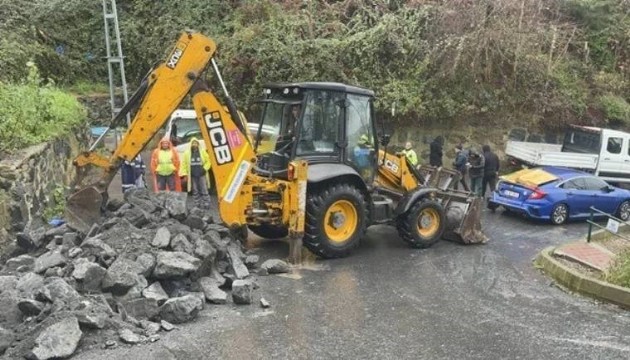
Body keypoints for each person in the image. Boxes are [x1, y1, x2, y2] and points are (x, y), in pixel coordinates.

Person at [179, 138, 212, 207]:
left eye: (196, 143)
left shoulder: (202, 151)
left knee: (204, 189)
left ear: (198, 144)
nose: (194, 144)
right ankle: (197, 203)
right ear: (190, 144)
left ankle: (206, 203)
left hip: (201, 174)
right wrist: (185, 174)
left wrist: (204, 169)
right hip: (192, 175)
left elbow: (208, 161)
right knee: (195, 189)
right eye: (193, 143)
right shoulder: (187, 153)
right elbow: (184, 164)